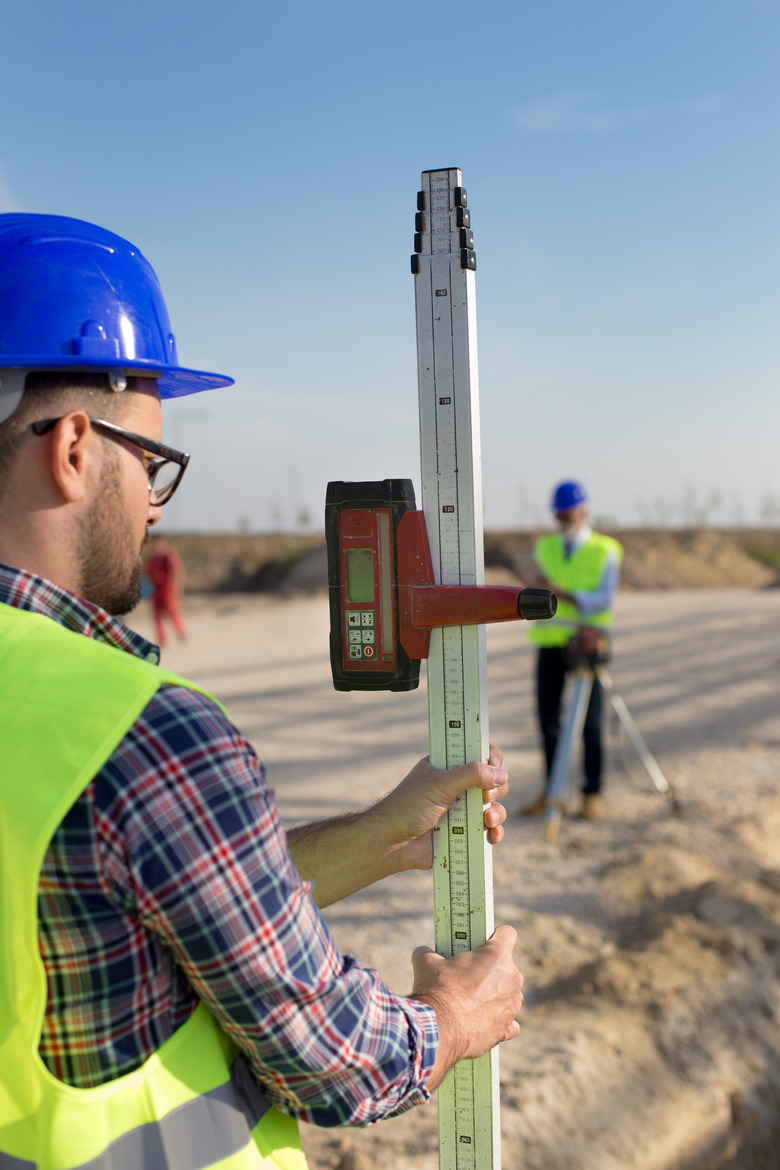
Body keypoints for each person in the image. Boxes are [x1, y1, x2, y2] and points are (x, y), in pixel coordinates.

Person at [0, 214, 524, 1170]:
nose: (153, 507)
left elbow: (109, 906)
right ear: (75, 447)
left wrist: (372, 840)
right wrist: (455, 1017)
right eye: (150, 466)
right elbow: (334, 1063)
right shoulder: (133, 736)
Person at [520, 480, 623, 820]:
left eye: (568, 513)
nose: (563, 520)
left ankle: (592, 794)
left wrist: (561, 593)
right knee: (548, 721)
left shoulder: (606, 549)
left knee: (591, 724)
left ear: (584, 511)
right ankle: (553, 793)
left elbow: (602, 601)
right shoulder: (545, 547)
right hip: (549, 643)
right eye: (558, 515)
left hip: (586, 643)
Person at [144, 532, 187, 645]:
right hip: (156, 590)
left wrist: (177, 590)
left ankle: (180, 633)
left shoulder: (169, 554)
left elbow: (176, 572)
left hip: (168, 589)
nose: (155, 545)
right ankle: (162, 639)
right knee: (156, 616)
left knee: (173, 613)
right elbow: (148, 575)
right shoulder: (152, 557)